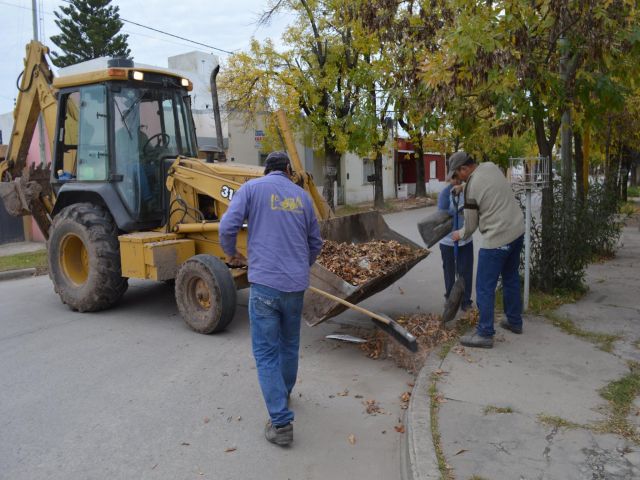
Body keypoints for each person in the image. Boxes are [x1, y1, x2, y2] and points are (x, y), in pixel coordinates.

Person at [219, 151, 323, 446]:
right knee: (289, 344)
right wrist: (302, 264)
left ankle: (280, 424)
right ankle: (283, 394)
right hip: (294, 287)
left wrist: (231, 253)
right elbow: (316, 242)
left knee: (266, 353)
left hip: (265, 285)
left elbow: (227, 227)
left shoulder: (251, 189)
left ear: (266, 171)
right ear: (289, 170)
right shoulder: (302, 198)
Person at [449, 151, 525, 349]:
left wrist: (459, 234)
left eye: (457, 175)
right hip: (516, 232)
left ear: (464, 168)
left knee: (484, 286)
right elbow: (485, 185)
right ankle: (514, 321)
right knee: (510, 278)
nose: (457, 179)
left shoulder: (471, 189)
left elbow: (471, 225)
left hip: (498, 239)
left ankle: (484, 333)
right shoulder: (490, 166)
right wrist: (462, 187)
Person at [437, 174, 473, 312]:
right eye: (453, 178)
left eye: (459, 179)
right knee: (449, 271)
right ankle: (450, 299)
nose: (456, 181)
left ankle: (466, 301)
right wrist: (455, 211)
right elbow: (441, 216)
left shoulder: (467, 192)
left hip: (465, 239)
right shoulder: (444, 194)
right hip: (448, 240)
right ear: (449, 179)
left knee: (465, 272)